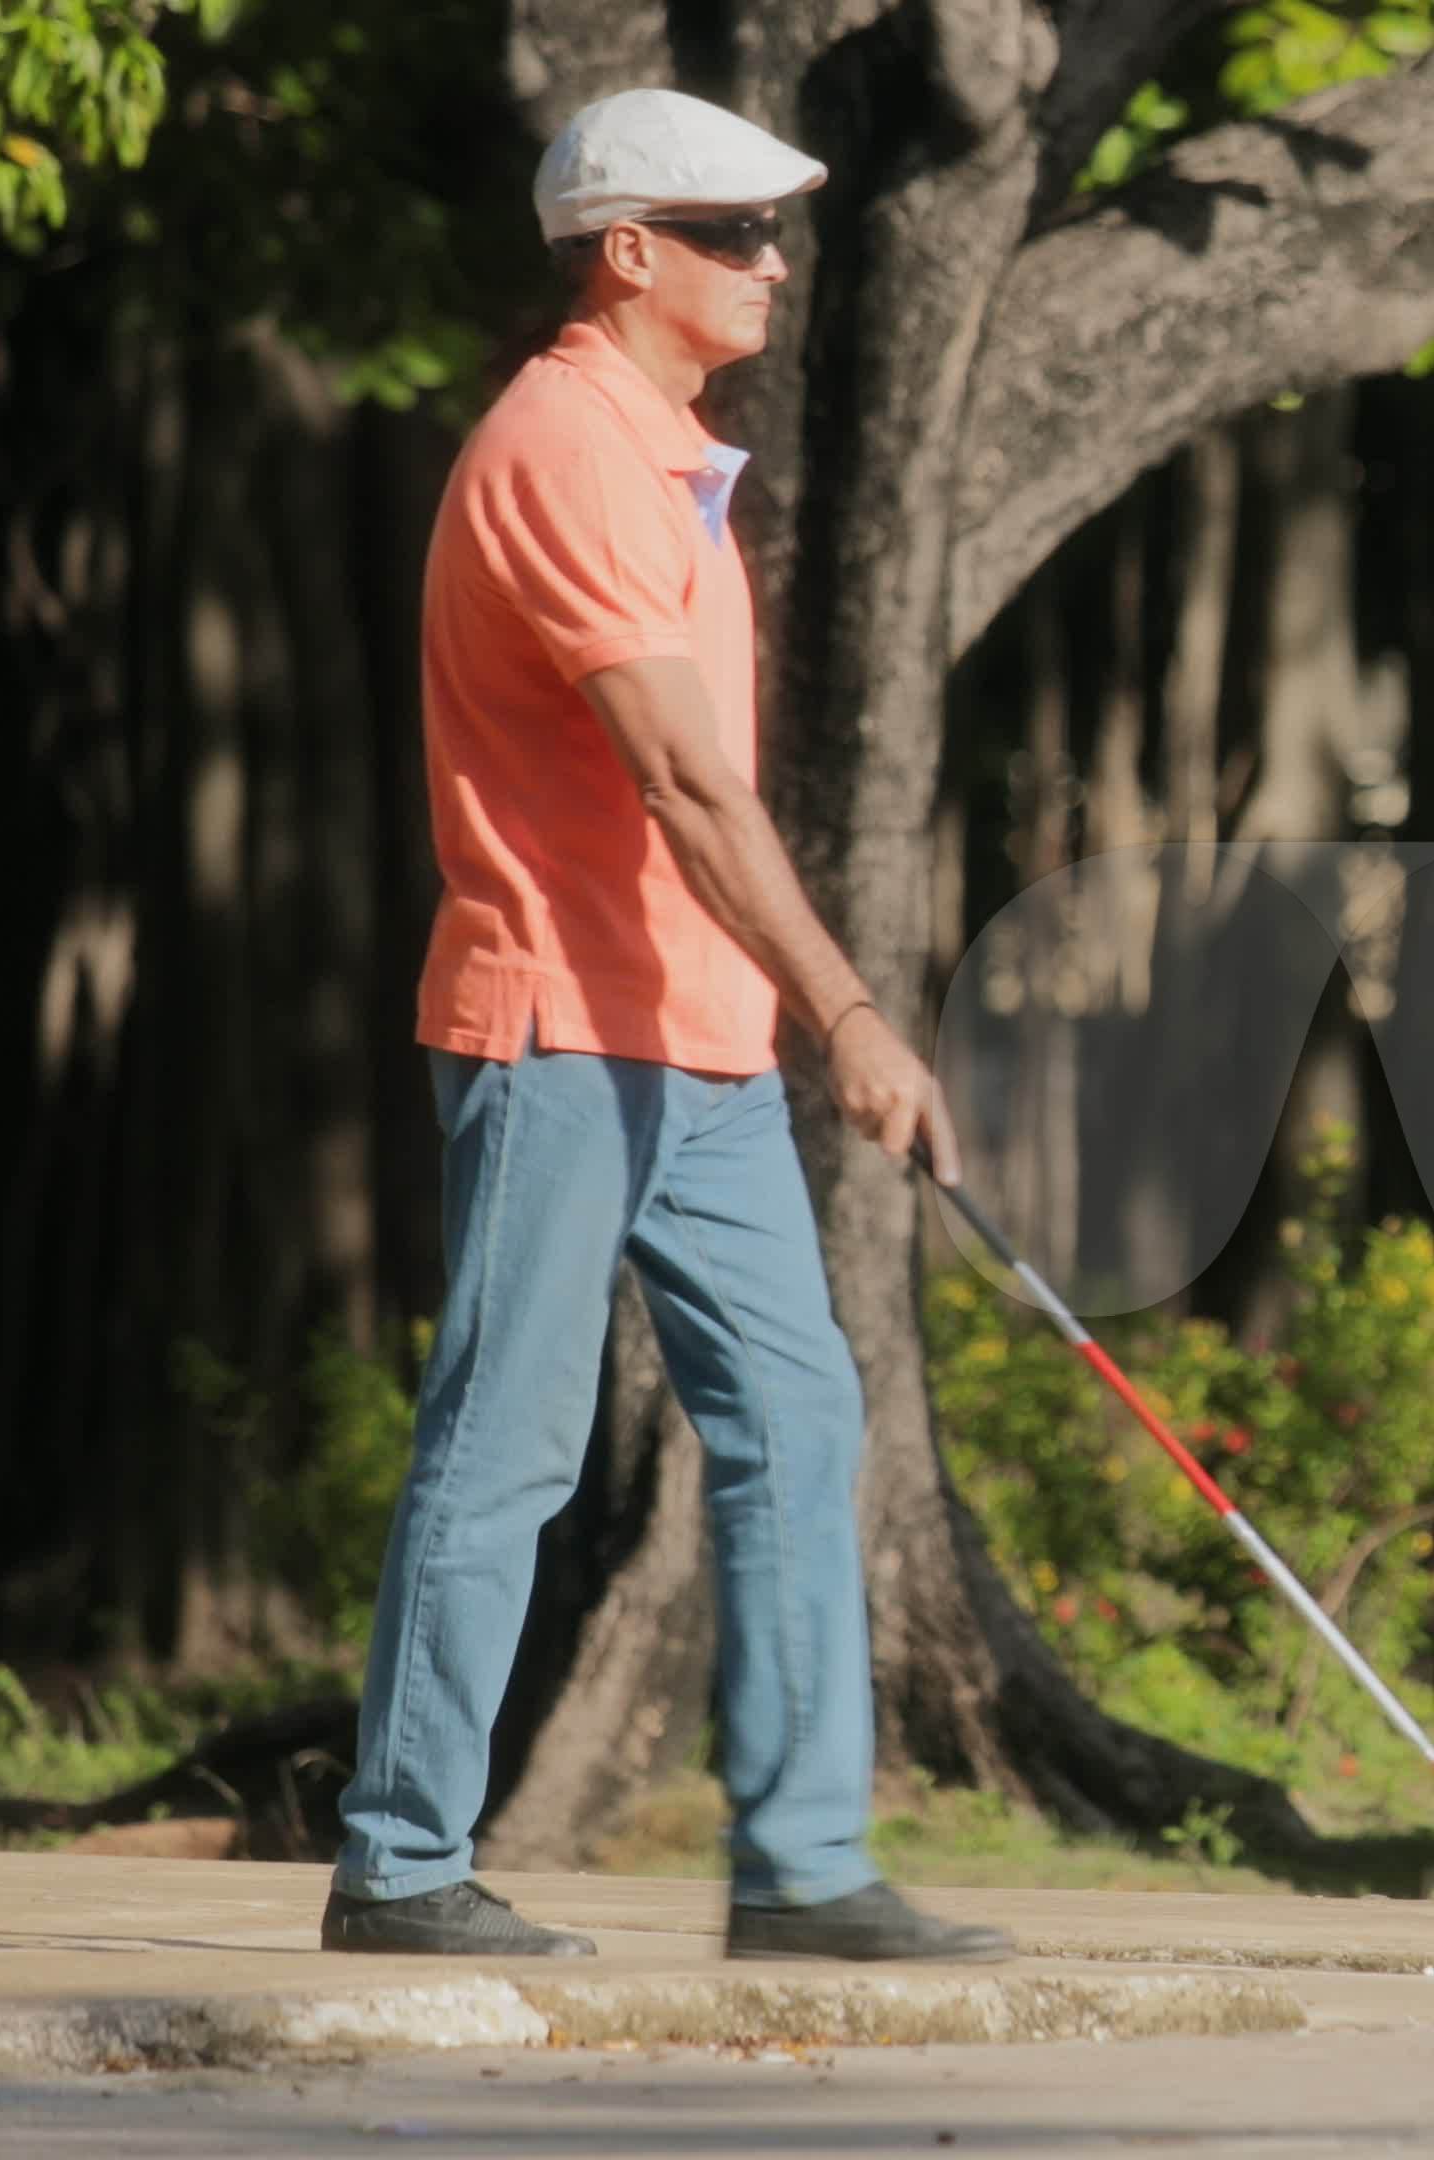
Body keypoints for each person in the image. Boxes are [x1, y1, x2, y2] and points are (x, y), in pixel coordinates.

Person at [323, 87, 1002, 1964]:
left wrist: (779, 1021)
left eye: (773, 233)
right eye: (732, 236)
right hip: (558, 1028)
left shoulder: (672, 457)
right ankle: (397, 1862)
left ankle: (798, 1864)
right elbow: (691, 790)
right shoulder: (564, 450)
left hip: (695, 1046)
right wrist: (853, 1012)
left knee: (797, 1414)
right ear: (628, 253)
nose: (772, 262)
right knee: (512, 1440)